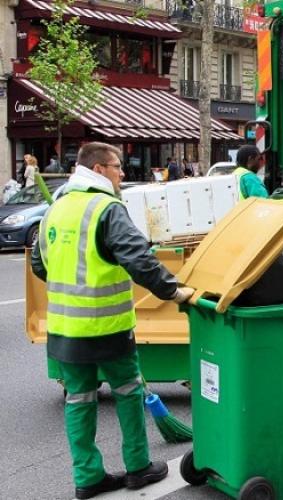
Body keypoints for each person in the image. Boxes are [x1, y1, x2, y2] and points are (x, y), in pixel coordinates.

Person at [30, 142, 196, 499]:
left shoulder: (54, 212)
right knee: (128, 393)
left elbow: (39, 265)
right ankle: (138, 467)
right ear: (100, 169)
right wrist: (174, 291)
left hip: (65, 331)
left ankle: (88, 477)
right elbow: (138, 258)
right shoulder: (106, 208)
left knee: (79, 400)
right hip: (108, 329)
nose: (123, 173)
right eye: (118, 166)